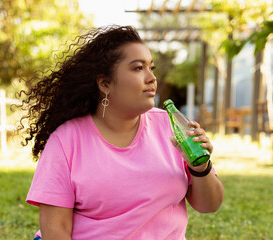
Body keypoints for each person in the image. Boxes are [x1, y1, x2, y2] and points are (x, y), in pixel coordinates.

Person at [20, 25, 224, 240]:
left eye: (151, 68)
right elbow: (56, 230)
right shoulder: (66, 140)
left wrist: (200, 168)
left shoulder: (170, 127)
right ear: (105, 83)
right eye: (138, 68)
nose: (151, 78)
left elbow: (209, 205)